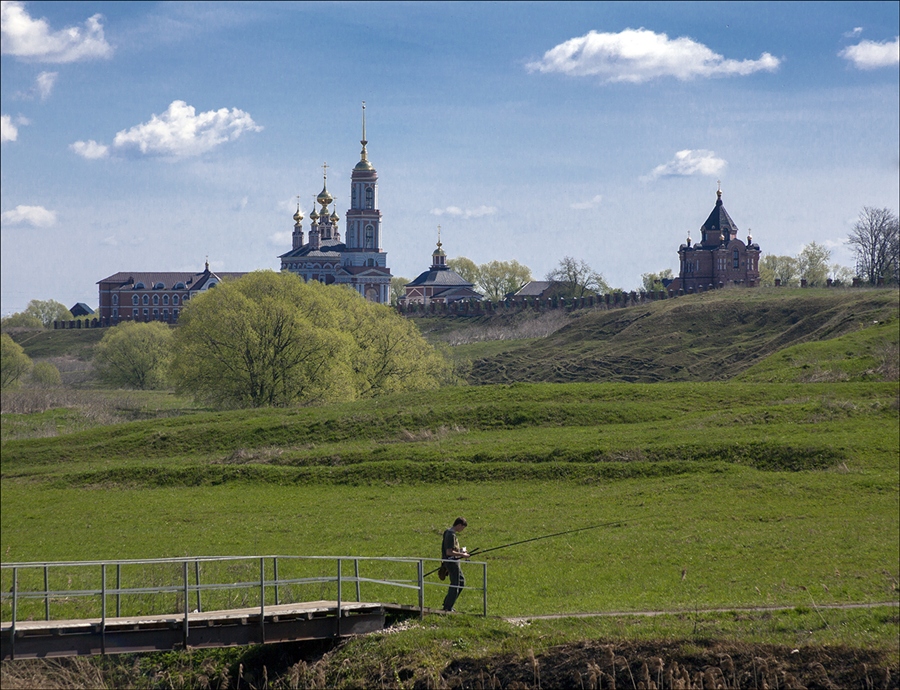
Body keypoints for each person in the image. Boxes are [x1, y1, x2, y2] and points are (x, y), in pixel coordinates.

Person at [441, 517, 470, 612]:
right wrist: (462, 554)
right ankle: (448, 607)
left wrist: (461, 551)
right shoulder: (450, 534)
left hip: (453, 562)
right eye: (462, 527)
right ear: (459, 525)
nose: (462, 530)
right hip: (452, 563)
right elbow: (449, 552)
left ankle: (447, 603)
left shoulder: (449, 533)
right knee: (455, 584)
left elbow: (452, 550)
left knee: (461, 581)